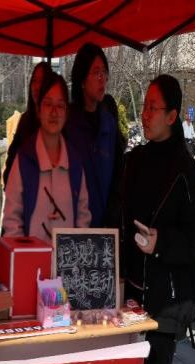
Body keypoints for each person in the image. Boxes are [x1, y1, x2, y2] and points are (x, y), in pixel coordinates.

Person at [121, 75, 195, 364]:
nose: (145, 113)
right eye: (145, 105)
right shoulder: (134, 160)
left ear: (173, 116)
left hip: (168, 294)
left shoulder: (187, 172)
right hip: (132, 287)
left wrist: (160, 244)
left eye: (153, 107)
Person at [2, 71, 91, 240]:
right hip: (30, 257)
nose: (54, 112)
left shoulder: (75, 162)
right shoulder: (24, 160)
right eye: (48, 104)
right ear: (38, 110)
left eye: (60, 105)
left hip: (67, 257)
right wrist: (26, 253)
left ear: (67, 112)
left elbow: (83, 216)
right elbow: (12, 220)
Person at [65, 42, 120, 227]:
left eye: (104, 72)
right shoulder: (67, 124)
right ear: (81, 79)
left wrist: (113, 213)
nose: (102, 79)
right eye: (96, 72)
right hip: (71, 226)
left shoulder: (109, 123)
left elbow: (117, 173)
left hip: (104, 227)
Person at [3, 61, 52, 187]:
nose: (37, 87)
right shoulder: (25, 119)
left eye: (42, 81)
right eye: (34, 81)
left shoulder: (55, 121)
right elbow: (12, 155)